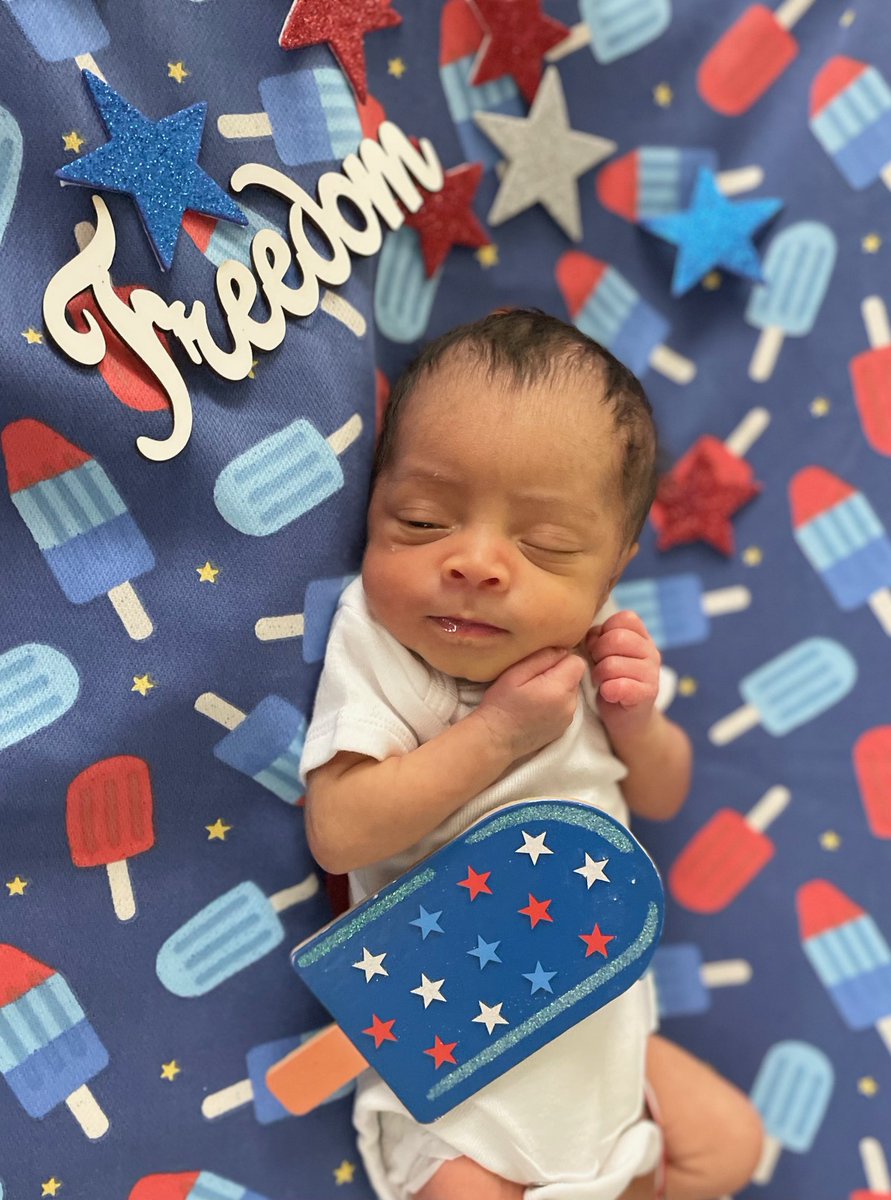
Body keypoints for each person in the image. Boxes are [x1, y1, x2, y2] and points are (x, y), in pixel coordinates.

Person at [299, 310, 763, 1200]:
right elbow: (339, 830)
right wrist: (496, 735)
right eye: (422, 521)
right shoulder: (385, 646)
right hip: (455, 1058)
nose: (475, 562)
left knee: (729, 1143)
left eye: (545, 546)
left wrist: (636, 727)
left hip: (593, 1024)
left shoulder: (591, 649)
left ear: (611, 571)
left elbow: (662, 798)